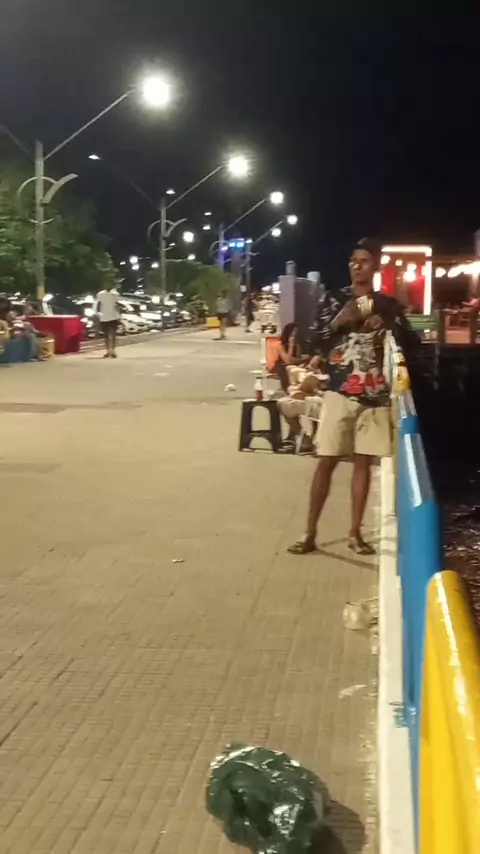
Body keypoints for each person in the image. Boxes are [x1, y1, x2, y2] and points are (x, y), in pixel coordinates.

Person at [288, 237, 418, 556]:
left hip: (374, 397)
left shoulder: (387, 304)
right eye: (352, 261)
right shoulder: (334, 299)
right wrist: (339, 321)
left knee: (363, 465)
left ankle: (355, 533)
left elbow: (413, 343)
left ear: (375, 266)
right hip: (340, 392)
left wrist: (389, 323)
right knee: (326, 462)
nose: (356, 266)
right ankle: (309, 532)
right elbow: (314, 341)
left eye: (363, 261)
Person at [274, 323, 303, 392]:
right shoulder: (280, 345)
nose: (294, 337)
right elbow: (287, 361)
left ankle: (300, 388)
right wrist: (291, 346)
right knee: (288, 369)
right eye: (292, 335)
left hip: (294, 364)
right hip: (282, 365)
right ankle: (289, 389)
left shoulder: (297, 345)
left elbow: (297, 359)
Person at [95, 284, 120, 358]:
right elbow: (98, 304)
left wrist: (119, 314)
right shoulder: (100, 294)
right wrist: (98, 313)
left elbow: (117, 304)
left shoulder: (115, 294)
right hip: (104, 317)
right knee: (106, 335)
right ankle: (108, 351)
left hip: (113, 316)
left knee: (113, 335)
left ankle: (112, 351)